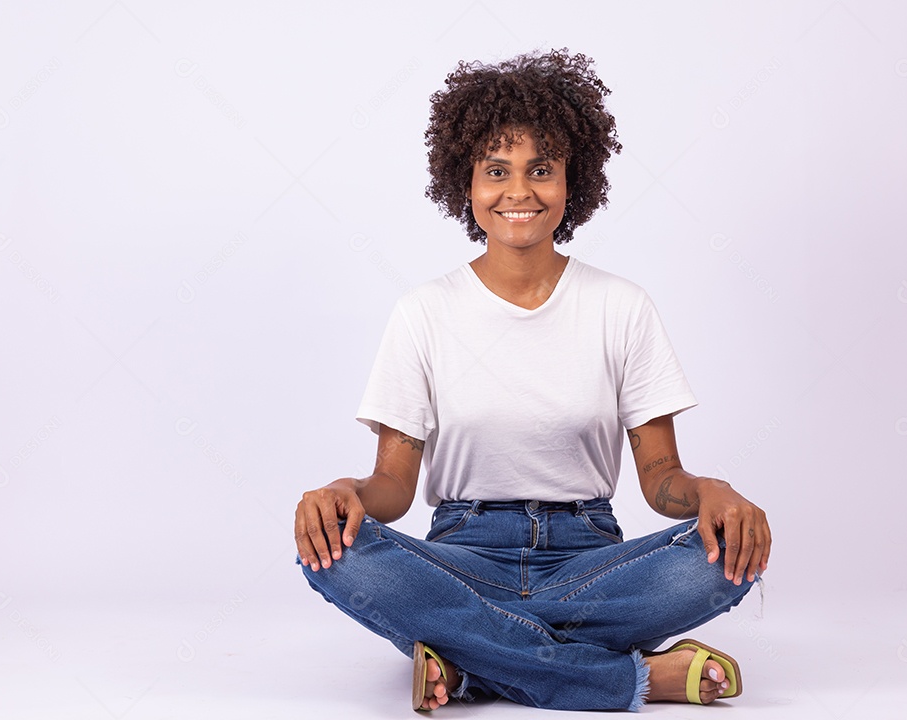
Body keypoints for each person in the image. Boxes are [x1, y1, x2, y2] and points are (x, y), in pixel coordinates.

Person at [294, 48, 771, 712]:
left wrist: (712, 493)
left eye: (540, 170)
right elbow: (393, 490)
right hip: (461, 555)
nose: (519, 192)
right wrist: (343, 492)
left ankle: (465, 659)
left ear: (572, 182)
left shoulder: (621, 307)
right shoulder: (423, 313)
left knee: (722, 557)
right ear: (466, 184)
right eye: (497, 171)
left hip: (590, 561)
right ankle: (629, 678)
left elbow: (661, 478)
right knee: (334, 554)